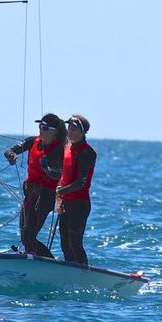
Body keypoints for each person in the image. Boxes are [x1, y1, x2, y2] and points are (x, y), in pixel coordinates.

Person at [4, 113, 66, 258]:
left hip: (45, 196)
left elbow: (57, 174)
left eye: (44, 128)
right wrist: (11, 155)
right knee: (25, 235)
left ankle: (50, 263)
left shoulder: (58, 149)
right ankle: (35, 257)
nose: (40, 130)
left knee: (28, 236)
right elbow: (9, 150)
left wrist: (47, 169)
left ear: (54, 132)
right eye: (39, 126)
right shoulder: (33, 141)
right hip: (30, 193)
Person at [56, 114, 96, 266]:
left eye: (74, 129)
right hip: (66, 202)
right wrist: (59, 196)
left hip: (79, 204)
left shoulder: (87, 152)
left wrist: (61, 191)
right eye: (69, 128)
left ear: (82, 132)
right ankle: (70, 272)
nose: (70, 131)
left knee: (74, 243)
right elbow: (63, 175)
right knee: (65, 244)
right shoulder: (67, 148)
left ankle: (83, 272)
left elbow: (81, 182)